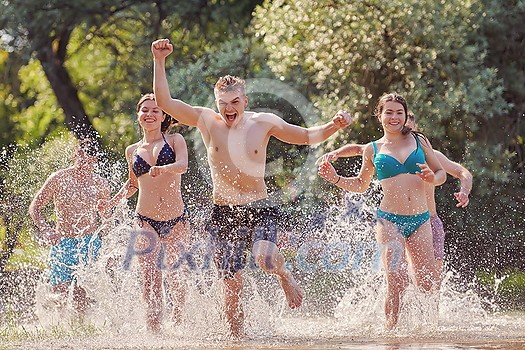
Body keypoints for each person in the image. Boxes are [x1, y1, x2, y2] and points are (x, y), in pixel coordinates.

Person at [151, 38, 353, 337]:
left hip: (259, 207)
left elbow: (309, 136)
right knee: (232, 287)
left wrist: (335, 125)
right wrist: (159, 60)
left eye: (235, 102)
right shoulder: (206, 121)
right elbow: (166, 103)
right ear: (216, 103)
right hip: (223, 211)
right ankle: (238, 339)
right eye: (223, 103)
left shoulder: (264, 123)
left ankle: (285, 276)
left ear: (245, 101)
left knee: (266, 258)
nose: (229, 108)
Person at [318, 93, 446, 329]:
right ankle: (391, 335)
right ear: (380, 116)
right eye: (389, 112)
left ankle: (425, 333)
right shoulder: (372, 149)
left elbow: (441, 174)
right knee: (396, 283)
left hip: (420, 220)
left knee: (426, 284)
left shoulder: (420, 142)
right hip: (389, 221)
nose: (394, 117)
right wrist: (335, 178)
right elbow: (360, 184)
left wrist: (432, 177)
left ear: (406, 115)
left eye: (399, 112)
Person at [320, 112, 473, 279]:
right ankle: (399, 302)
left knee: (431, 281)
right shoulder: (383, 149)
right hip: (396, 219)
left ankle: (426, 304)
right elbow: (358, 148)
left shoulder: (430, 154)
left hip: (428, 221)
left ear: (415, 130)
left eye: (408, 129)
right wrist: (335, 154)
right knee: (400, 279)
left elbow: (462, 172)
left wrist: (464, 191)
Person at [97, 93, 190, 333]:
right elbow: (133, 184)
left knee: (175, 277)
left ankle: (179, 324)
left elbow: (182, 166)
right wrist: (112, 202)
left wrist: (164, 168)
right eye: (145, 110)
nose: (149, 114)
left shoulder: (175, 140)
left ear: (163, 116)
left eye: (155, 110)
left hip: (176, 219)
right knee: (150, 278)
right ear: (138, 116)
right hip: (144, 219)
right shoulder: (132, 150)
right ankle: (154, 332)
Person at [29, 138, 111, 315]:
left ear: (96, 159)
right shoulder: (59, 178)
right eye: (80, 154)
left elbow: (107, 219)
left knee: (81, 295)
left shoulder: (100, 184)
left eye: (89, 156)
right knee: (60, 293)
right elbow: (35, 206)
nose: (84, 159)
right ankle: (60, 330)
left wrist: (110, 247)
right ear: (74, 154)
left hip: (89, 243)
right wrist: (45, 229)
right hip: (63, 242)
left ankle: (82, 332)